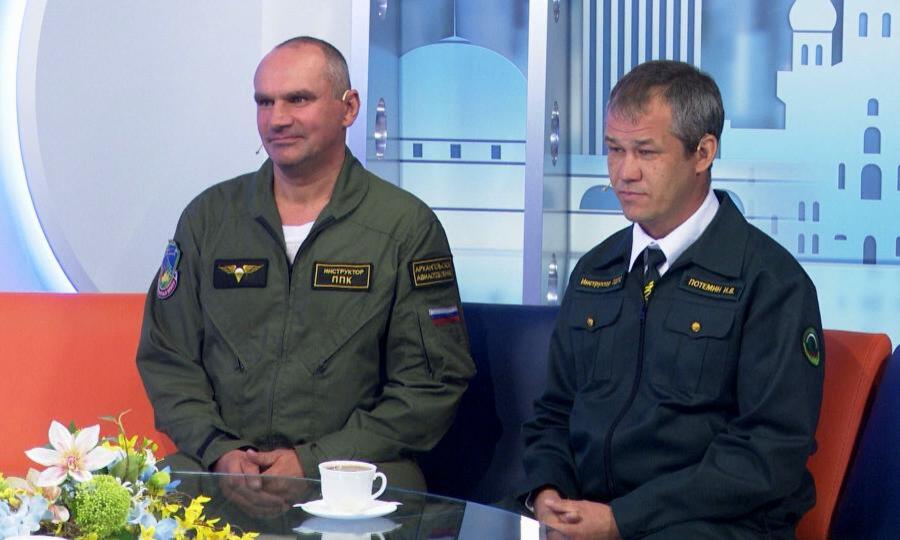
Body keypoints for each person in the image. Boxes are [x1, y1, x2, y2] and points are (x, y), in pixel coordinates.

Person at [136, 36, 475, 495]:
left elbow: (432, 383)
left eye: (298, 99)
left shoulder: (405, 226)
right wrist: (219, 450)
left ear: (348, 108)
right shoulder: (209, 218)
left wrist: (314, 461)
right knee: (144, 496)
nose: (277, 119)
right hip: (221, 471)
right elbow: (168, 358)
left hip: (352, 473)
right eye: (265, 102)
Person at [521, 60, 824, 539]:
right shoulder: (595, 271)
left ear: (703, 153)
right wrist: (548, 494)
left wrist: (622, 521)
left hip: (713, 525)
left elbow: (769, 451)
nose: (624, 172)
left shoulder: (771, 283)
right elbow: (555, 413)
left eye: (646, 151)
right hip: (591, 514)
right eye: (614, 150)